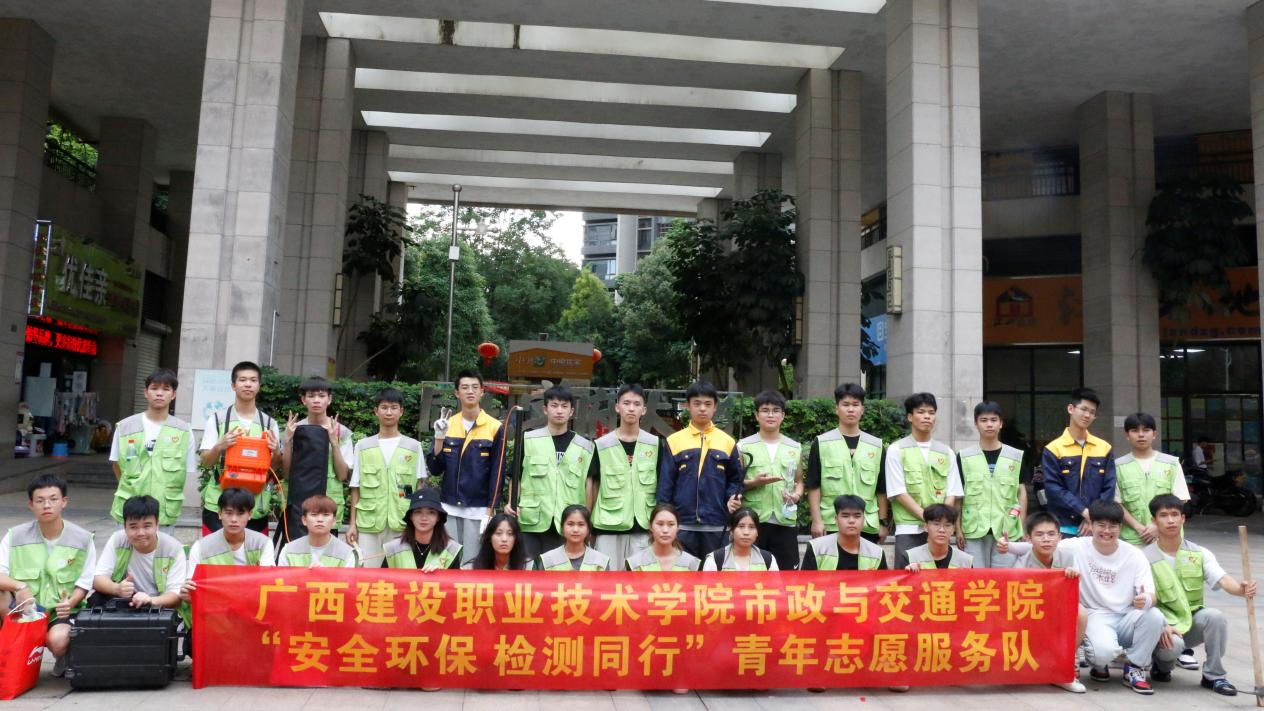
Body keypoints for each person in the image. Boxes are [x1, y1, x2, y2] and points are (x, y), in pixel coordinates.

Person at [1026, 500, 1163, 693]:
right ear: (1091, 525)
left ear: (1120, 527)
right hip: (1095, 616)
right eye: (1101, 525)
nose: (1106, 531)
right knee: (1102, 655)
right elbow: (1041, 545)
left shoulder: (1134, 554)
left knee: (1155, 615)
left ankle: (1135, 667)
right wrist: (1007, 547)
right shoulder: (1076, 546)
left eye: (1112, 526)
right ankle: (1101, 662)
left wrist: (1145, 599)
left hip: (1127, 615)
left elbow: (1151, 595)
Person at [1146, 494, 1256, 696]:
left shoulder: (1199, 553)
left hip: (1191, 621)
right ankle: (1161, 666)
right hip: (1162, 626)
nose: (1170, 520)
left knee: (1215, 617)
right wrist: (1161, 625)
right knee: (1172, 647)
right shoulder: (1143, 556)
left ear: (1183, 519)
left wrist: (1241, 589)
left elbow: (1222, 579)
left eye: (1175, 514)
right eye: (1163, 515)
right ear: (1154, 521)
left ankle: (1214, 676)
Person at [0, 474, 97, 677]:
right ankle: (12, 654)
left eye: (53, 499)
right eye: (40, 500)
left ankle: (64, 655)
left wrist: (71, 602)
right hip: (23, 609)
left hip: (59, 613)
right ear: (31, 504)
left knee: (58, 641)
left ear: (64, 501)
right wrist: (19, 586)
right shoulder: (15, 536)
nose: (47, 505)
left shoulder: (83, 539)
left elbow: (85, 582)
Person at [997, 512, 1088, 694]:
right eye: (1039, 534)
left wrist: (1072, 575)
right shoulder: (1022, 563)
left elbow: (1073, 593)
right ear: (1028, 538)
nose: (1046, 539)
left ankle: (1066, 667)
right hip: (1029, 613)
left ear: (1059, 537)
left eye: (1051, 534)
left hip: (1057, 610)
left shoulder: (1068, 556)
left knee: (1081, 613)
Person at [427, 369, 508, 562]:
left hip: (478, 509)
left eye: (474, 387)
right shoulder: (447, 424)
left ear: (482, 391)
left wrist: (490, 510)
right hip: (448, 506)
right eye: (464, 387)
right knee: (447, 561)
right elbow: (435, 469)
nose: (470, 391)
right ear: (457, 393)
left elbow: (498, 472)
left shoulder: (495, 427)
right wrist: (439, 438)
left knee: (473, 562)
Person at [657, 381, 744, 560]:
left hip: (717, 524)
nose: (702, 409)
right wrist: (664, 519)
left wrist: (732, 497)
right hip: (681, 525)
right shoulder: (674, 441)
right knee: (682, 574)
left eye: (707, 404)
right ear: (688, 406)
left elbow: (735, 480)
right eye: (697, 403)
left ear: (715, 407)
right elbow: (665, 485)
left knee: (714, 573)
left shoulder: (727, 442)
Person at [506, 386, 594, 560]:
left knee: (561, 571)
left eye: (564, 406)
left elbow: (589, 484)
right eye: (554, 405)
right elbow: (516, 476)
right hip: (531, 520)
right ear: (545, 409)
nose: (559, 411)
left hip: (568, 522)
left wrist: (587, 518)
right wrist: (511, 502)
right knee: (528, 569)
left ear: (572, 411)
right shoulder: (529, 440)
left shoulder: (585, 447)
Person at [109, 368, 196, 533]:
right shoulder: (125, 427)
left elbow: (185, 470)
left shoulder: (184, 431)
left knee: (162, 550)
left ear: (173, 395)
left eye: (166, 389)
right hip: (129, 511)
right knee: (124, 550)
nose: (159, 393)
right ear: (146, 392)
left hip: (164, 513)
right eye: (154, 388)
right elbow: (116, 465)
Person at [198, 361, 281, 534]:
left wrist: (276, 452)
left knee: (253, 552)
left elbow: (274, 468)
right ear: (233, 385)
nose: (248, 384)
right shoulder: (217, 419)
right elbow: (205, 462)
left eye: (253, 380)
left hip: (254, 506)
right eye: (242, 380)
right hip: (219, 505)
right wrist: (219, 446)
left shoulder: (269, 423)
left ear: (259, 386)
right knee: (216, 551)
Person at [588, 384, 665, 571]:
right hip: (607, 526)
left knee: (641, 581)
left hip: (644, 527)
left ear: (644, 410)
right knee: (606, 579)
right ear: (617, 407)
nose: (631, 408)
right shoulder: (602, 445)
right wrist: (587, 521)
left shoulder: (655, 444)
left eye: (637, 404)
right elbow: (592, 484)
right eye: (626, 403)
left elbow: (663, 485)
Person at [347, 388, 426, 565]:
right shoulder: (363, 446)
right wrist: (352, 524)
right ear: (376, 411)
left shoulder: (413, 447)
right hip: (369, 523)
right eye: (384, 407)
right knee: (368, 572)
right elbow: (356, 487)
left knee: (402, 573)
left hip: (403, 522)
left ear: (401, 411)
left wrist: (417, 522)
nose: (388, 412)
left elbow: (419, 487)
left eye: (393, 407)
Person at [885, 392, 962, 570]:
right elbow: (898, 492)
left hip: (940, 531)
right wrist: (930, 520)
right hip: (909, 529)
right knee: (907, 579)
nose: (927, 416)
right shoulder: (897, 449)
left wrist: (938, 524)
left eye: (931, 412)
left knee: (939, 580)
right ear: (910, 417)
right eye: (921, 412)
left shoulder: (947, 452)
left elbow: (952, 492)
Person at [807, 383, 888, 545]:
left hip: (866, 523)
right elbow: (813, 486)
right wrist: (816, 520)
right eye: (845, 405)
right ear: (837, 409)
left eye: (855, 405)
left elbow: (881, 489)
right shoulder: (822, 443)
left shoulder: (876, 445)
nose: (851, 409)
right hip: (830, 522)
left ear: (862, 409)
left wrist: (883, 522)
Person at [279, 377, 353, 545]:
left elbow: (342, 475)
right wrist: (288, 441)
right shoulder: (294, 429)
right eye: (311, 396)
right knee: (296, 553)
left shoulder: (342, 432)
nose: (316, 400)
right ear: (303, 400)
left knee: (327, 554)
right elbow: (287, 474)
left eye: (321, 395)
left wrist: (334, 442)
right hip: (299, 506)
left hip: (328, 505)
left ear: (329, 399)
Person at [737, 390, 803, 571]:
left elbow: (799, 481)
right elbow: (735, 484)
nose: (771, 415)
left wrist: (796, 495)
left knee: (786, 575)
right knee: (753, 573)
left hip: (785, 519)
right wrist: (754, 483)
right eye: (765, 410)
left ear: (783, 415)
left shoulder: (794, 447)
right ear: (756, 415)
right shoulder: (743, 446)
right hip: (754, 520)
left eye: (776, 410)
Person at [956, 401, 1027, 567]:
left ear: (1001, 423)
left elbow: (1021, 493)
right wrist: (957, 528)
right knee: (976, 578)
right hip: (973, 530)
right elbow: (958, 496)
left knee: (1004, 578)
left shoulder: (1016, 456)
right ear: (976, 424)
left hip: (1006, 530)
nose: (989, 424)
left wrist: (1021, 527)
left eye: (994, 420)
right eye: (984, 420)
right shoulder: (964, 457)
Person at [1042, 387, 1115, 537]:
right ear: (1071, 409)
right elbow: (1053, 488)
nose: (1087, 415)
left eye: (1092, 412)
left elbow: (1109, 487)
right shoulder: (1053, 448)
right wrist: (1083, 511)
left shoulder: (1104, 448)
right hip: (1062, 527)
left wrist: (1093, 516)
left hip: (1096, 528)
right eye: (1084, 409)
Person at [92, 495, 187, 610]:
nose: (141, 533)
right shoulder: (118, 540)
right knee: (97, 599)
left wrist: (150, 600)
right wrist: (116, 588)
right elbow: (98, 578)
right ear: (125, 527)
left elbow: (175, 596)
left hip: (158, 607)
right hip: (127, 601)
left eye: (147, 526)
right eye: (133, 527)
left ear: (157, 525)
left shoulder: (173, 549)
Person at [1116, 413, 1189, 546]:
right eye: (1135, 430)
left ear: (1154, 434)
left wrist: (1157, 525)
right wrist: (1138, 527)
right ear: (1127, 435)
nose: (1141, 435)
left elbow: (1180, 499)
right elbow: (1116, 503)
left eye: (1146, 430)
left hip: (1168, 538)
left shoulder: (1171, 463)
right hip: (1132, 539)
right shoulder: (1118, 466)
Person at [382, 488, 463, 570]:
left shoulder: (450, 549)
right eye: (418, 512)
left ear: (438, 517)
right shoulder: (393, 548)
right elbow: (381, 577)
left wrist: (440, 574)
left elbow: (456, 578)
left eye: (431, 512)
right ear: (411, 516)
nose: (424, 518)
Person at [801, 495, 887, 570]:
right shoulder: (817, 548)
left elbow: (883, 583)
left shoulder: (876, 553)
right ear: (836, 520)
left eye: (857, 516)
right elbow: (805, 581)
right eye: (845, 516)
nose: (851, 521)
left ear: (863, 520)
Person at [277, 495, 357, 567]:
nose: (320, 519)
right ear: (304, 520)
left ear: (334, 521)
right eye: (314, 515)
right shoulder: (288, 550)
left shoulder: (346, 553)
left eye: (326, 515)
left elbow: (349, 579)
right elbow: (281, 578)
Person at [625, 504, 702, 571]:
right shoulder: (635, 563)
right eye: (660, 524)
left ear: (678, 528)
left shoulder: (691, 564)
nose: (665, 530)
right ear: (650, 526)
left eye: (671, 524)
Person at [536, 505, 611, 571]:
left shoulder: (601, 561)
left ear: (588, 529)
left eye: (581, 524)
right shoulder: (548, 560)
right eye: (570, 524)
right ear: (562, 528)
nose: (575, 530)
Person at [702, 507, 778, 571]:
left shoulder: (768, 559)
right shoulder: (714, 560)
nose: (746, 532)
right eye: (741, 526)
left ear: (757, 532)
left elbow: (776, 584)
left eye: (751, 527)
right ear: (731, 530)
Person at [905, 504, 973, 569]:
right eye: (936, 524)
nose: (942, 530)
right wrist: (909, 573)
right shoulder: (910, 557)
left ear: (953, 529)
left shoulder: (966, 561)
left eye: (947, 525)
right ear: (926, 527)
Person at [467, 513, 531, 570]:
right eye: (498, 533)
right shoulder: (471, 568)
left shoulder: (529, 567)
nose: (504, 539)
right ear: (490, 537)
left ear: (516, 538)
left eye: (510, 534)